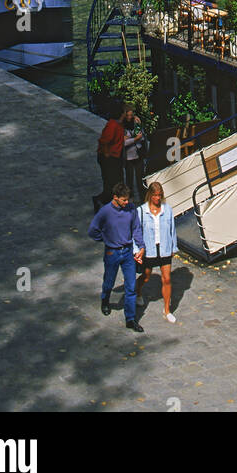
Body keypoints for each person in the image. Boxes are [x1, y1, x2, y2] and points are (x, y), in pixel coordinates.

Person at [87, 182, 145, 332]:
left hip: (127, 252)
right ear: (115, 198)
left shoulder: (131, 209)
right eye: (124, 200)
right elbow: (93, 230)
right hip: (112, 252)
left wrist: (141, 246)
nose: (127, 203)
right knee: (109, 281)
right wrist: (106, 239)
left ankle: (130, 318)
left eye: (128, 200)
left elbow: (136, 228)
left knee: (131, 286)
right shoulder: (105, 212)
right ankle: (105, 299)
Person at [137, 181, 179, 323]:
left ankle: (167, 310)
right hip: (149, 250)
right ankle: (137, 292)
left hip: (164, 248)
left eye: (159, 195)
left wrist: (174, 247)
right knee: (146, 276)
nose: (157, 198)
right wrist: (137, 250)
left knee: (167, 279)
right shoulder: (141, 211)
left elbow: (172, 229)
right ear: (150, 195)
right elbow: (136, 232)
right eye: (155, 195)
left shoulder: (167, 209)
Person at [95, 102, 128, 210]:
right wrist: (107, 155)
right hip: (109, 158)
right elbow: (104, 141)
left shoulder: (118, 124)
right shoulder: (113, 125)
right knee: (111, 184)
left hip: (115, 157)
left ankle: (112, 204)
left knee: (117, 182)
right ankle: (102, 201)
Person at [122, 106, 147, 203]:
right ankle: (129, 201)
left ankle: (143, 200)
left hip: (138, 155)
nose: (129, 117)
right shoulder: (122, 127)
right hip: (128, 158)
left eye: (131, 115)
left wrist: (138, 126)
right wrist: (135, 139)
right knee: (129, 181)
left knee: (140, 180)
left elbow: (142, 138)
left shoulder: (136, 124)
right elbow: (123, 143)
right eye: (127, 115)